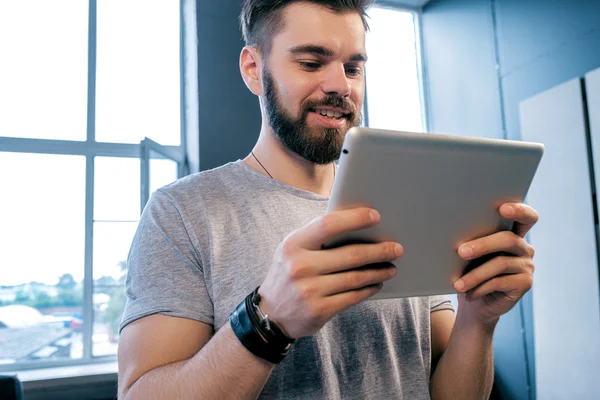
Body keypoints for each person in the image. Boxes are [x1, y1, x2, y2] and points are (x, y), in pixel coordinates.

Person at [117, 1, 538, 399]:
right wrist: (268, 321)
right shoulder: (183, 212)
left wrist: (478, 321)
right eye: (311, 63)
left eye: (353, 67)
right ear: (252, 68)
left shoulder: (406, 199)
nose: (341, 86)